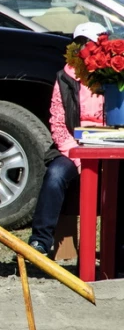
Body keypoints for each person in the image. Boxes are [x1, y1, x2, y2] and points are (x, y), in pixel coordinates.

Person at [29, 21, 108, 255]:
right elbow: (57, 120)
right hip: (74, 147)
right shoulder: (65, 77)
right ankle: (41, 240)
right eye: (80, 44)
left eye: (90, 44)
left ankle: (118, 248)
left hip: (109, 145)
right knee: (55, 175)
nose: (85, 50)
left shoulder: (114, 74)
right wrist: (77, 156)